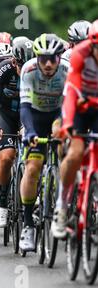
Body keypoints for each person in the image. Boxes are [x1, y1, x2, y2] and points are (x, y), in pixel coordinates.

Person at [18, 33, 69, 251]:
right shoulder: (28, 70)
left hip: (58, 114)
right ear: (36, 58)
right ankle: (28, 224)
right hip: (36, 116)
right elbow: (25, 107)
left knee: (63, 142)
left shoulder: (67, 71)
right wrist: (29, 131)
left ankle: (66, 201)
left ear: (60, 58)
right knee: (32, 168)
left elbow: (69, 106)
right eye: (43, 59)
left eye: (53, 59)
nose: (48, 64)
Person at [51, 20, 98, 238]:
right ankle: (61, 208)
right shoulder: (79, 54)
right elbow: (70, 92)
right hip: (78, 106)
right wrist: (68, 123)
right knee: (75, 152)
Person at [0, 37, 34, 227]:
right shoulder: (4, 68)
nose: (25, 68)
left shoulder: (35, 70)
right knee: (5, 157)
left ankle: (34, 201)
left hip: (27, 113)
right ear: (14, 61)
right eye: (21, 64)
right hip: (6, 115)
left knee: (34, 158)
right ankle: (3, 205)